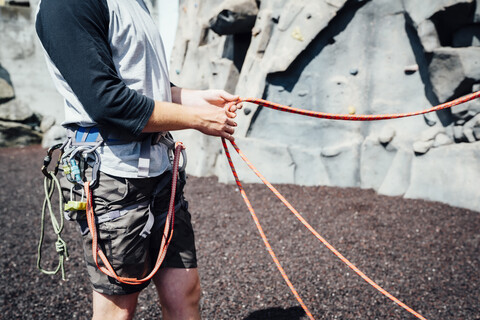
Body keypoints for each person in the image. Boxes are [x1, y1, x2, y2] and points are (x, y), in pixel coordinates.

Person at [35, 0, 242, 319]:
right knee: (117, 310)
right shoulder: (67, 5)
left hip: (162, 173)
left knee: (186, 294)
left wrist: (192, 97)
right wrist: (196, 118)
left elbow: (141, 86)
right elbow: (109, 104)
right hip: (112, 179)